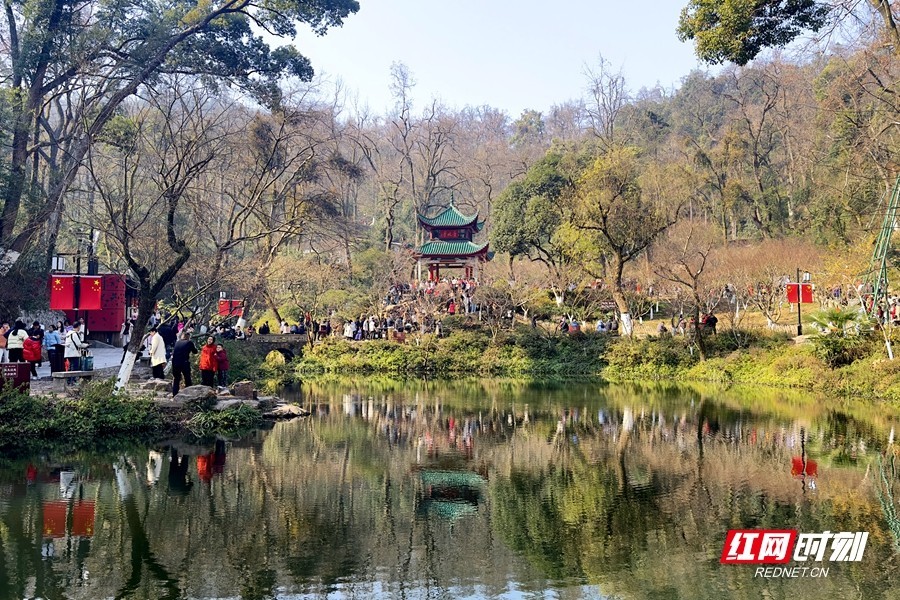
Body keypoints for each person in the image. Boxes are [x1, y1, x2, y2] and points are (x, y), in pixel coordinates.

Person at [171, 331, 198, 396]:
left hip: (175, 363)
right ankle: (189, 393)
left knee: (176, 379)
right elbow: (195, 351)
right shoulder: (189, 342)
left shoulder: (177, 342)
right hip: (184, 362)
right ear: (188, 337)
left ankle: (174, 394)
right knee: (187, 378)